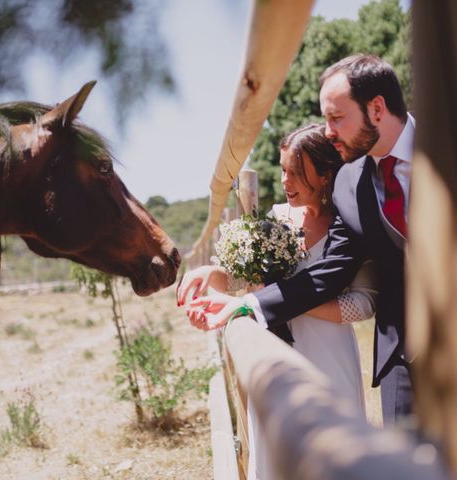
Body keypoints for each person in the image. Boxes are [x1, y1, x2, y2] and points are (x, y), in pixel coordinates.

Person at [182, 54, 415, 426]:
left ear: (376, 109)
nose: (327, 131)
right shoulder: (350, 185)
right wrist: (244, 303)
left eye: (336, 118)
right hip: (402, 355)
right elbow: (330, 274)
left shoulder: (454, 149)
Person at [179, 123, 376, 480]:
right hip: (274, 349)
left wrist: (289, 300)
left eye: (297, 173)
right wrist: (212, 273)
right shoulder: (274, 219)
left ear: (327, 174)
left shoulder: (348, 226)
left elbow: (363, 304)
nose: (286, 181)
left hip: (330, 356)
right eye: (283, 169)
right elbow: (245, 277)